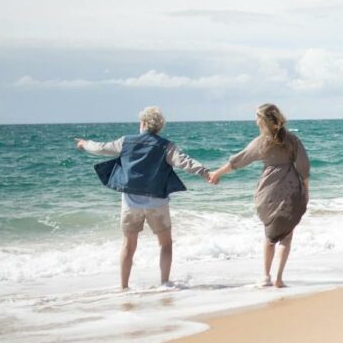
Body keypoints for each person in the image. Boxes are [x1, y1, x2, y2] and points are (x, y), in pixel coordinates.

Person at [75, 106, 211, 290]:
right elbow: (184, 162)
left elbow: (100, 148)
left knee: (128, 246)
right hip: (158, 203)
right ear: (159, 127)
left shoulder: (126, 141)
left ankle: (124, 287)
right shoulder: (166, 146)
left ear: (143, 123)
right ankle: (164, 283)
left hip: (131, 203)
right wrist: (206, 173)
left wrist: (84, 143)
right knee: (165, 244)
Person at [209, 104, 310, 288]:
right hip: (291, 190)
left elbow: (239, 161)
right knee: (286, 237)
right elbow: (303, 167)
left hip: (268, 192)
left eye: (257, 118)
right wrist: (306, 190)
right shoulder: (292, 140)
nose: (255, 121)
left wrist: (217, 173)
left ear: (263, 121)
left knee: (269, 236)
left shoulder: (262, 142)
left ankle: (265, 277)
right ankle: (279, 278)